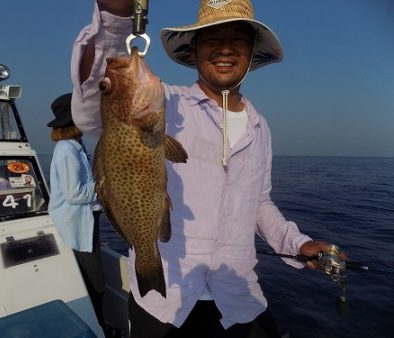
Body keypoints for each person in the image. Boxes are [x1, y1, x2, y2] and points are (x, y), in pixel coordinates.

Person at [70, 1, 347, 337]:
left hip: (239, 297)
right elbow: (92, 101)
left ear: (252, 53)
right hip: (165, 301)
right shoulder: (166, 105)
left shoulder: (261, 128)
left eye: (238, 40)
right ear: (194, 50)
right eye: (212, 39)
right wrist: (117, 18)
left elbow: (260, 203)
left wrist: (297, 243)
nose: (225, 49)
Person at [47, 93, 109, 336]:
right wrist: (104, 183)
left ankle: (99, 322)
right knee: (95, 282)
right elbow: (75, 194)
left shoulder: (75, 148)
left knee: (93, 278)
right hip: (77, 226)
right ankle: (98, 326)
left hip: (85, 222)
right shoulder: (67, 151)